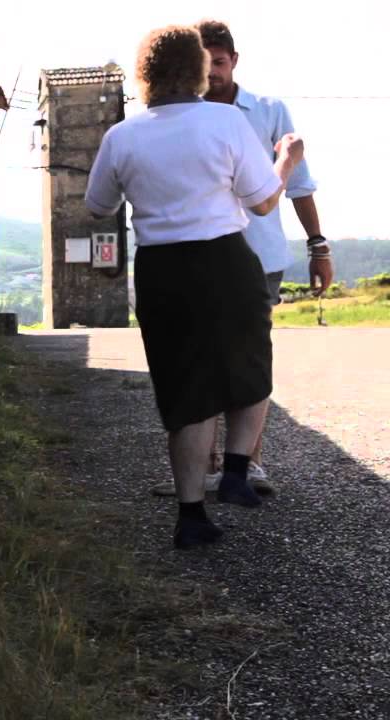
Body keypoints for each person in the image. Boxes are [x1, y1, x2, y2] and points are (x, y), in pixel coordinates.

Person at [84, 26, 306, 548]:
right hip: (225, 260)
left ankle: (191, 516)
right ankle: (234, 472)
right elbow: (263, 202)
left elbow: (99, 206)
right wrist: (287, 158)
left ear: (146, 74)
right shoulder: (226, 121)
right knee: (250, 364)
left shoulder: (123, 135)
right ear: (201, 68)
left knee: (187, 387)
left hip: (162, 267)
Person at [197, 18, 334, 495]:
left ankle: (248, 462)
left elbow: (298, 185)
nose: (211, 71)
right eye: (202, 62)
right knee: (202, 359)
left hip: (259, 256)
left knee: (248, 357)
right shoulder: (182, 114)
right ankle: (204, 464)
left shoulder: (269, 110)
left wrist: (318, 246)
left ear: (234, 61)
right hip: (200, 256)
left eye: (218, 61)